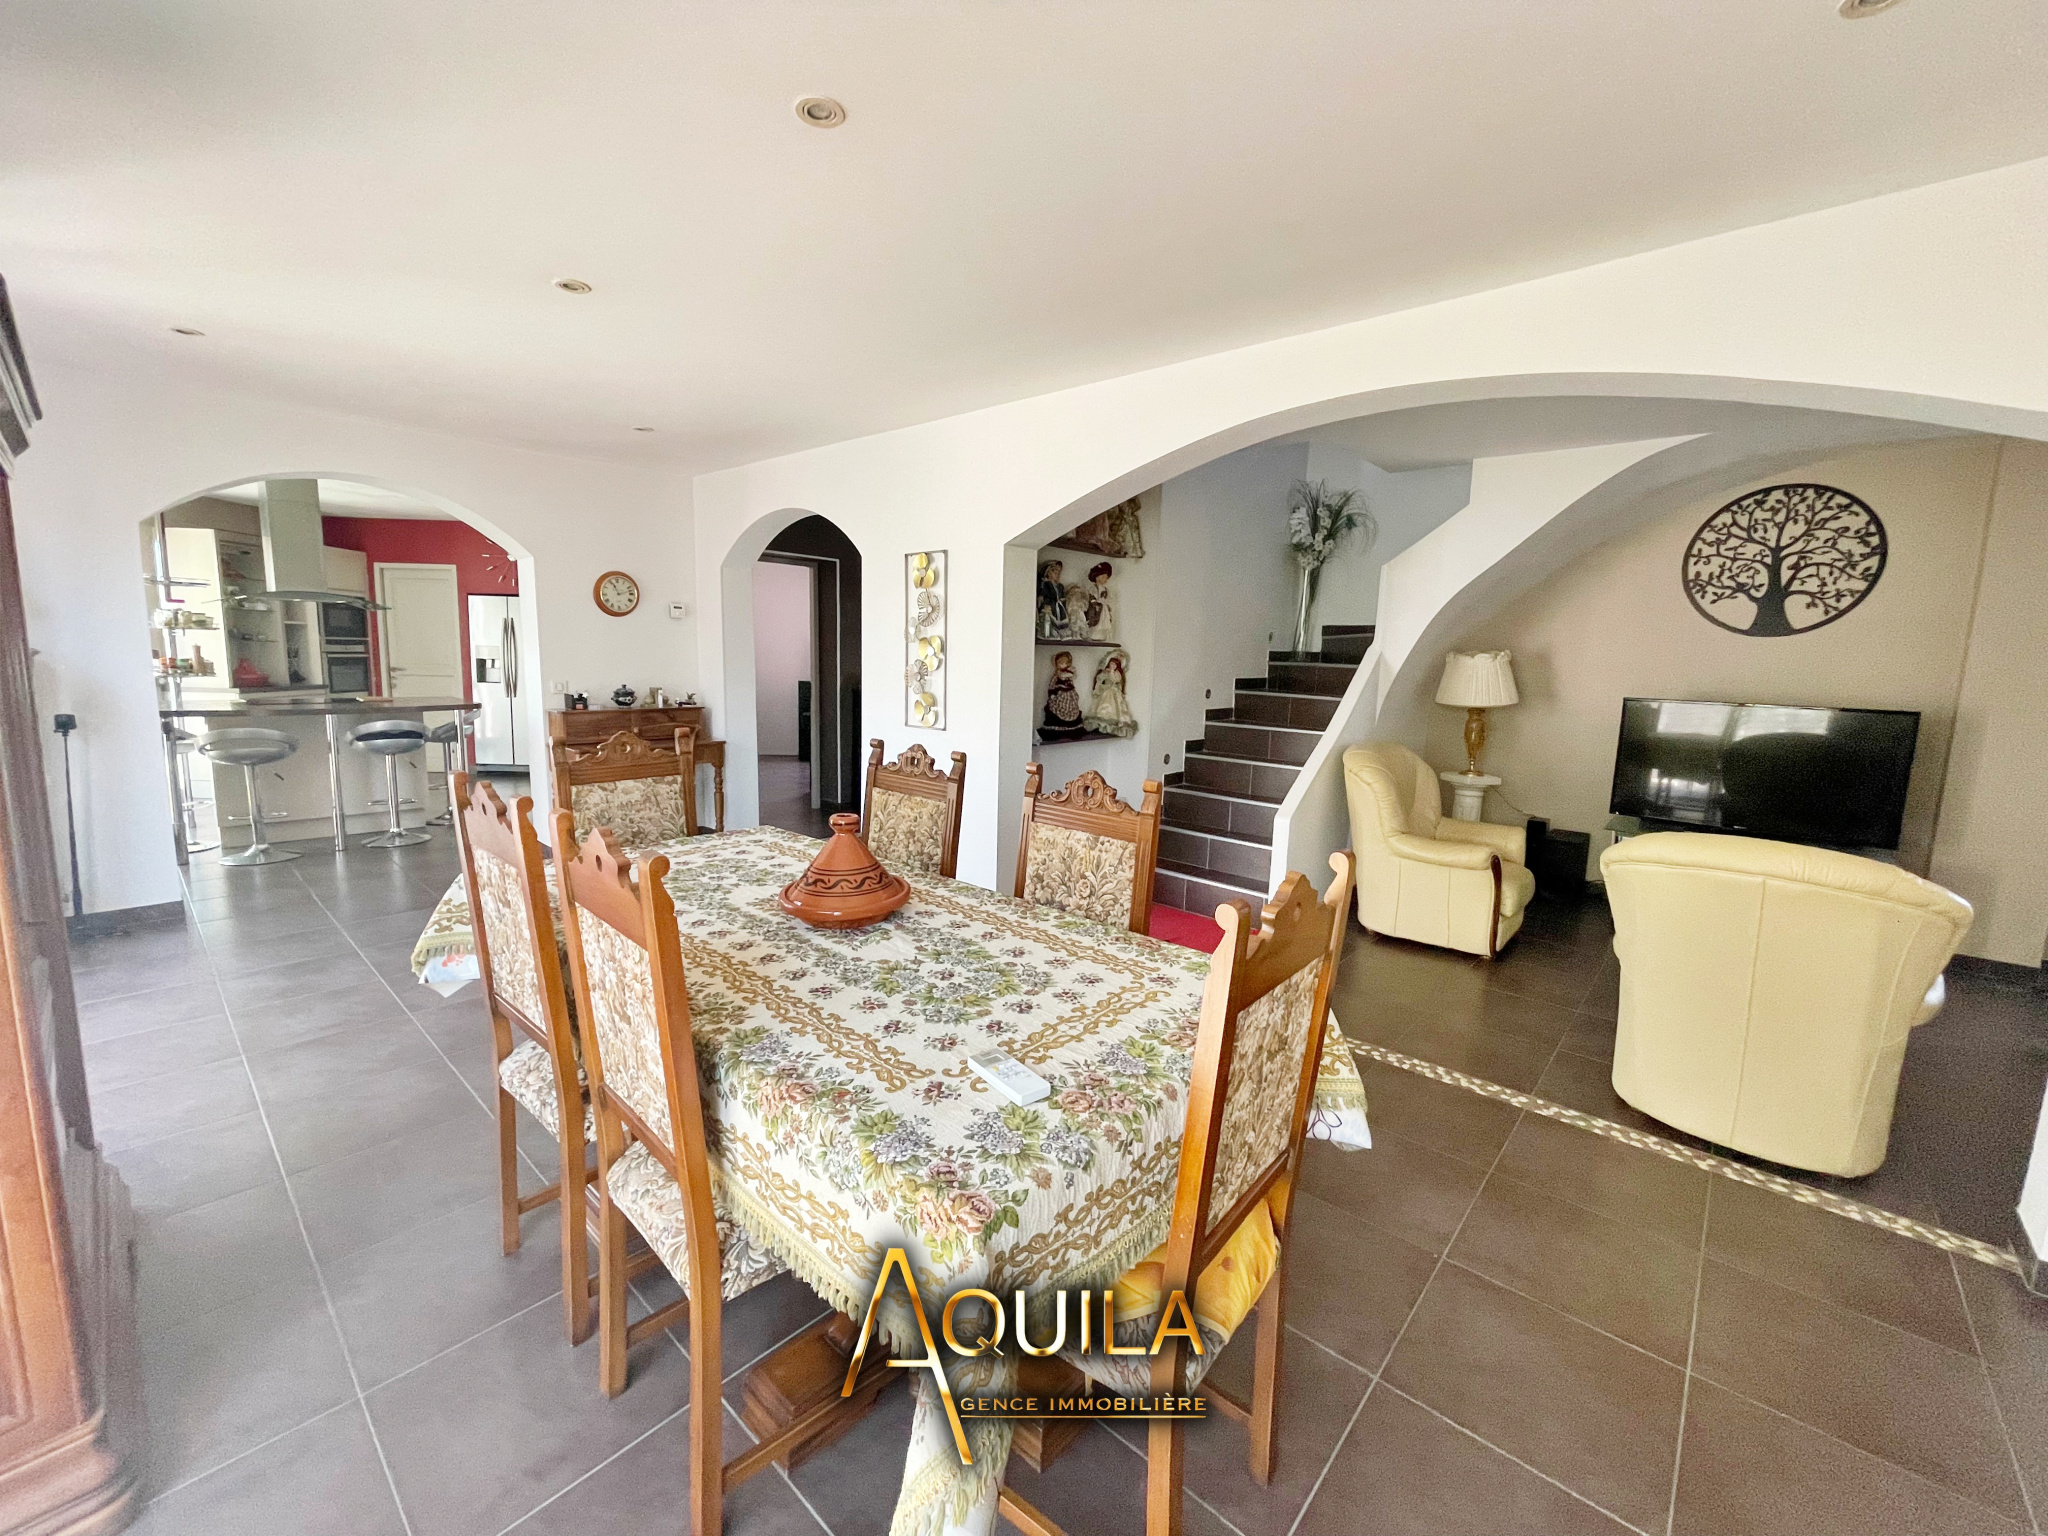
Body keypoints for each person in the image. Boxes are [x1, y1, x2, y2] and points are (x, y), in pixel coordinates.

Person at [1085, 648, 1136, 737]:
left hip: (1114, 692)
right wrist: (1104, 674)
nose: (1112, 666)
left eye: (1114, 664)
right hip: (1106, 691)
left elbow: (1115, 680)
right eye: (1111, 664)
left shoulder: (1117, 673)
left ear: (1117, 666)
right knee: (1103, 706)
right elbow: (1099, 679)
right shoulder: (1105, 671)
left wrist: (1111, 672)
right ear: (1109, 663)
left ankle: (1114, 723)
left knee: (1115, 707)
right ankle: (1102, 724)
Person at [1041, 650, 1084, 735]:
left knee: (1071, 706)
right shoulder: (1057, 674)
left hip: (1069, 693)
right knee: (1057, 706)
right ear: (1057, 664)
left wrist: (1068, 673)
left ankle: (1071, 727)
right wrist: (1052, 693)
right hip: (1060, 693)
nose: (1063, 665)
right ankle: (1059, 728)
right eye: (1061, 663)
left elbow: (1073, 677)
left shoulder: (1070, 672)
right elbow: (1052, 684)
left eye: (1065, 663)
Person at [1085, 561, 1117, 641]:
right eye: (1103, 577)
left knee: (1104, 620)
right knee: (1096, 619)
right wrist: (1095, 604)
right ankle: (1094, 634)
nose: (1105, 580)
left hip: (1103, 607)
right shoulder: (1093, 588)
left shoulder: (1105, 589)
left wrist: (1108, 606)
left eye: (1106, 578)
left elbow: (1106, 599)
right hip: (1096, 607)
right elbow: (1092, 597)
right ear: (1097, 577)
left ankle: (1101, 635)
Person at [1036, 560, 1067, 640]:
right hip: (1050, 606)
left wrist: (1063, 600)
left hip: (1059, 607)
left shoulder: (1060, 586)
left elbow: (1062, 596)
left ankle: (1060, 633)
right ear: (1048, 573)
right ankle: (1049, 633)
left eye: (1059, 573)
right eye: (1055, 573)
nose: (1057, 575)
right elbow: (1042, 596)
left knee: (1061, 620)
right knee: (1049, 619)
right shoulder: (1045, 585)